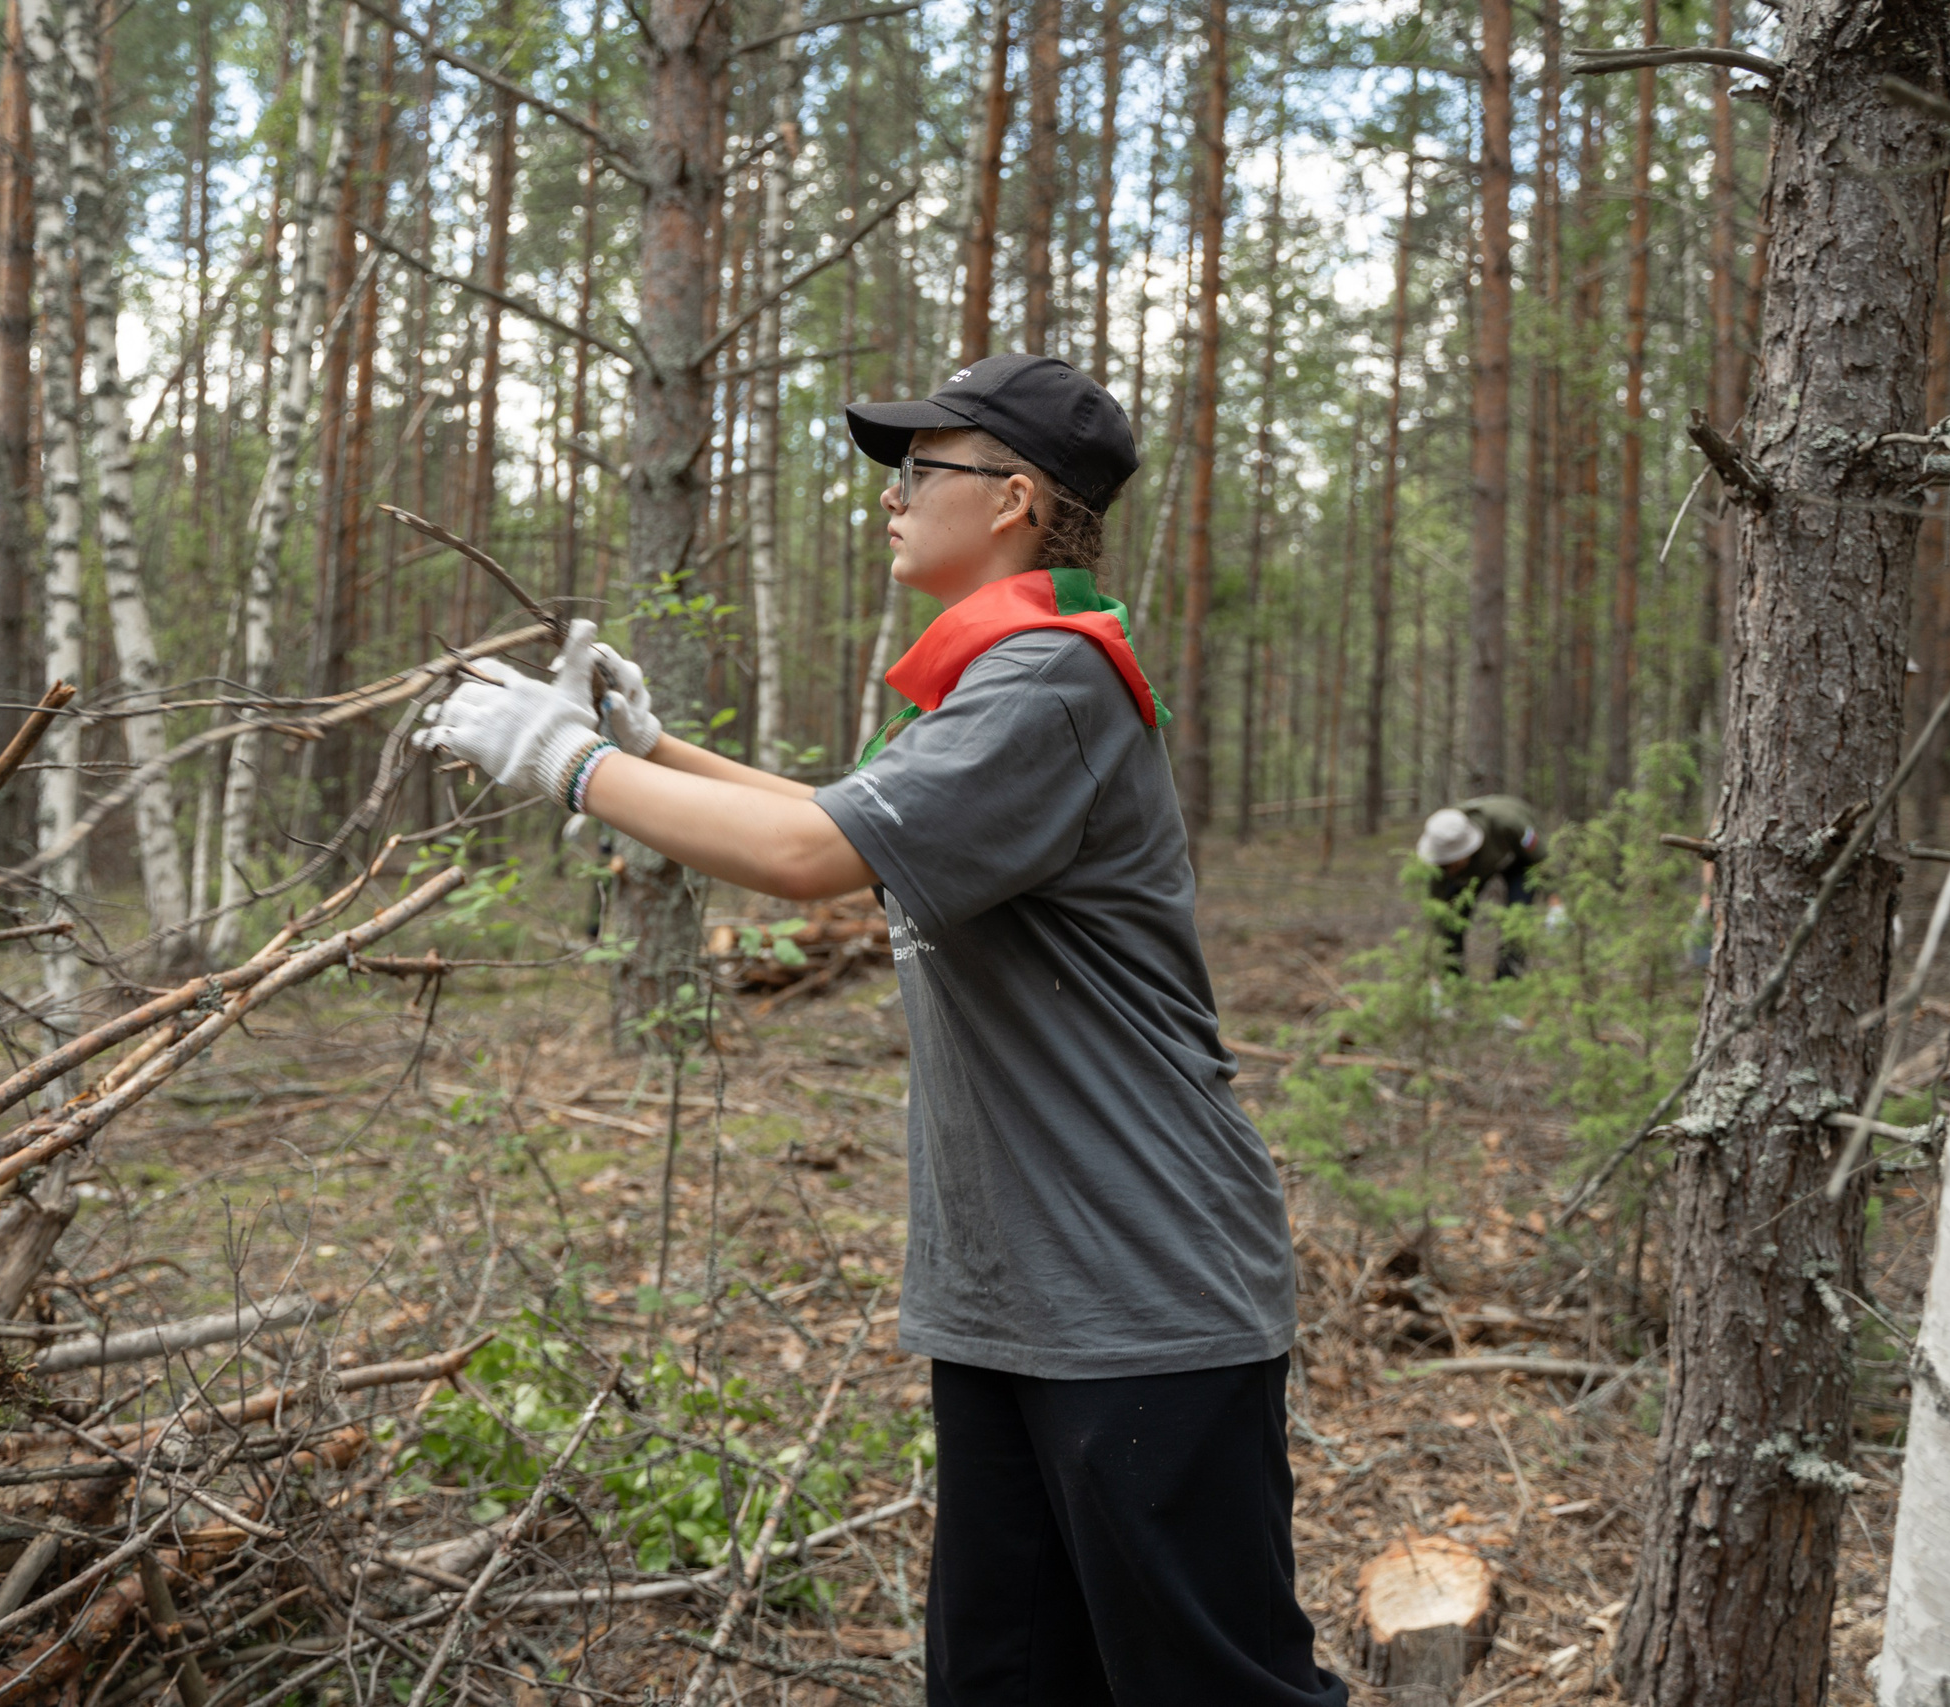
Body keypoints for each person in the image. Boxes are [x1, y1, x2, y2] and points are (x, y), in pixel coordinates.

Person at [421, 354, 1347, 1707]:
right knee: (1004, 1682)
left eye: (918, 470)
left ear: (1014, 499)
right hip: (1013, 1298)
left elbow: (807, 856)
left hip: (1142, 1292)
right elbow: (838, 815)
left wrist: (569, 765)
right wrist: (645, 747)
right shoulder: (997, 683)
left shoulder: (1050, 684)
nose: (889, 498)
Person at [1417, 795, 1546, 979]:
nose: (1448, 869)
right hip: (1473, 871)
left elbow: (1543, 859)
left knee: (1517, 918)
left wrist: (1556, 902)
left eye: (1452, 863)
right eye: (1444, 864)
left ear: (1467, 850)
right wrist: (1437, 963)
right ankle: (1453, 983)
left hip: (1517, 859)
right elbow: (1438, 910)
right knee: (1452, 922)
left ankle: (1507, 984)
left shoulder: (1509, 823)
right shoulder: (1440, 854)